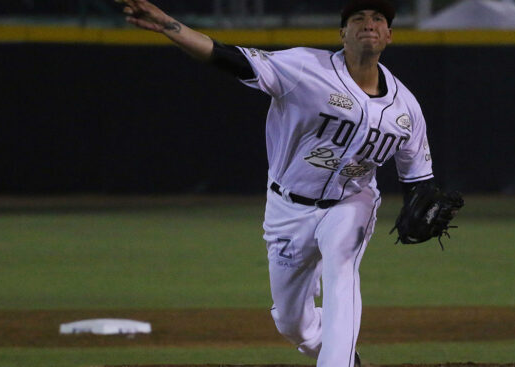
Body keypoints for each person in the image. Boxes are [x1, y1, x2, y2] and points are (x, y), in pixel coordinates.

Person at [116, 1, 437, 366]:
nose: (369, 24)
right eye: (357, 18)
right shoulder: (304, 67)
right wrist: (171, 26)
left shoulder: (406, 109)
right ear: (342, 33)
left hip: (351, 203)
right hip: (288, 206)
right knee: (291, 323)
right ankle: (333, 350)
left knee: (342, 271)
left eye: (379, 19)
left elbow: (418, 179)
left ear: (389, 35)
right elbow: (229, 58)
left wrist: (420, 202)